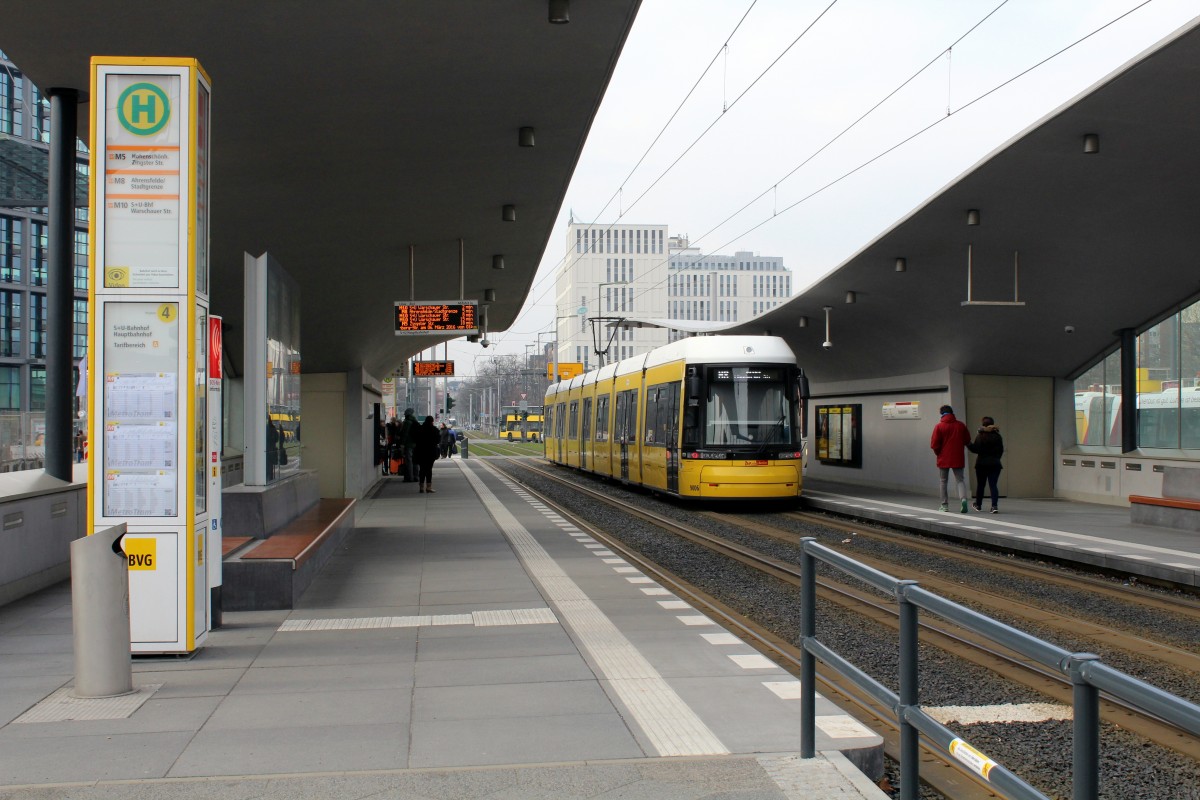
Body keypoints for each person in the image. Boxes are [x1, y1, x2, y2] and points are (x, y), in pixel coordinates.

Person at [930, 404, 971, 513]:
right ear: (952, 413)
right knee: (960, 480)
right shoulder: (961, 425)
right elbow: (967, 440)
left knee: (943, 481)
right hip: (958, 457)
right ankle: (963, 500)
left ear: (942, 414)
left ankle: (944, 505)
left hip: (943, 458)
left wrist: (938, 453)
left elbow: (934, 444)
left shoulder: (939, 426)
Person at [968, 416, 1004, 513]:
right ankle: (994, 506)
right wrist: (996, 458)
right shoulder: (998, 436)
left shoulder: (980, 436)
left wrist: (968, 444)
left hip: (981, 464)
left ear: (983, 425)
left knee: (981, 485)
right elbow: (1001, 450)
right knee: (993, 485)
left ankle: (978, 505)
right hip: (995, 464)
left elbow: (975, 449)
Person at [414, 415, 441, 493]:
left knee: (422, 469)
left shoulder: (420, 429)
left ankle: (421, 487)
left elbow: (416, 439)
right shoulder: (435, 430)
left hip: (421, 452)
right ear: (432, 421)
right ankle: (428, 487)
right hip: (431, 452)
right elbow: (438, 440)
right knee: (429, 469)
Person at [399, 408, 419, 482]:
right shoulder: (415, 421)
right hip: (415, 444)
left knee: (408, 461)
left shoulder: (407, 422)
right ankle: (416, 476)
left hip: (408, 444)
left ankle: (409, 477)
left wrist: (402, 444)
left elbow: (405, 434)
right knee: (415, 461)